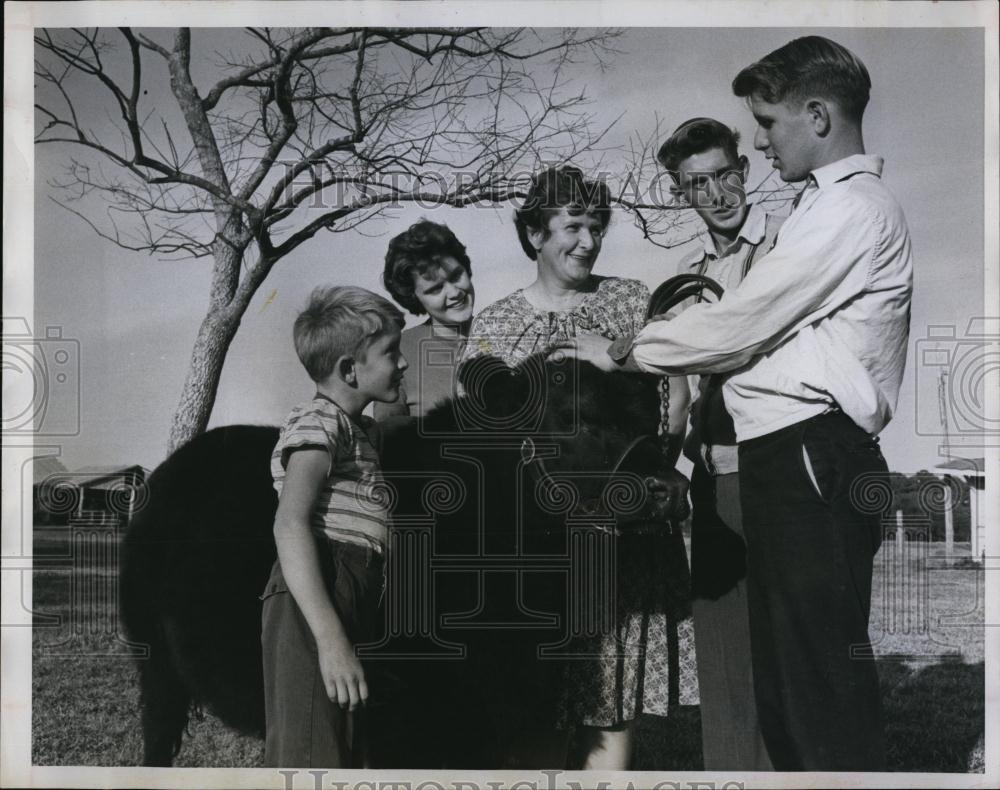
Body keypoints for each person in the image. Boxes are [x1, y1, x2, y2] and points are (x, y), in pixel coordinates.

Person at [564, 36, 912, 771]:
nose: (759, 136)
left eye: (765, 124)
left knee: (817, 683)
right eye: (696, 183)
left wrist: (626, 353)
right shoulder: (804, 219)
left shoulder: (829, 217)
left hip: (809, 449)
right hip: (754, 462)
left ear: (816, 116)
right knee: (777, 681)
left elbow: (742, 325)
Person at [461, 165, 697, 770]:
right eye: (572, 226)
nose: (587, 242)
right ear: (536, 234)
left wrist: (626, 372)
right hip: (539, 550)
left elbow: (673, 403)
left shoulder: (628, 304)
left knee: (608, 705)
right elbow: (482, 441)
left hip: (624, 540)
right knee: (534, 703)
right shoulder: (495, 327)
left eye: (597, 227)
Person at [656, 116, 780, 770]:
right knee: (724, 661)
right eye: (696, 183)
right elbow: (677, 379)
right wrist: (674, 464)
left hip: (777, 469)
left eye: (724, 175)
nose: (715, 194)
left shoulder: (786, 238)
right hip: (712, 479)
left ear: (745, 169)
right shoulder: (685, 273)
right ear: (681, 193)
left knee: (782, 658)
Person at [260, 286, 408, 767]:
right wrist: (330, 639)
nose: (402, 364)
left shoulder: (358, 431)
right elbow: (290, 523)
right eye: (391, 353)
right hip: (316, 592)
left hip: (351, 590)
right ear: (349, 369)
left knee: (344, 746)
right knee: (310, 752)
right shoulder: (319, 420)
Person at [375, 220, 475, 420]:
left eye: (456, 276)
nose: (454, 292)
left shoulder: (509, 330)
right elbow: (390, 440)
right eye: (435, 289)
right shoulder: (397, 351)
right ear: (414, 297)